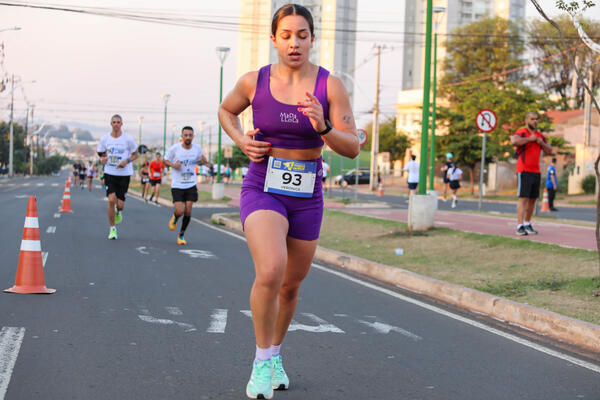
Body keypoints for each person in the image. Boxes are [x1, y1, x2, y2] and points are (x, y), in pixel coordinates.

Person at [218, 4, 359, 398]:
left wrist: (324, 125)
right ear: (274, 39)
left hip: (307, 192)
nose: (294, 42)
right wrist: (240, 139)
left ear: (312, 39)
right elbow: (226, 111)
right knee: (271, 270)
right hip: (263, 184)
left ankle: (275, 353)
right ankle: (261, 361)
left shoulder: (330, 86)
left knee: (291, 287)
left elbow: (351, 149)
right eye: (286, 35)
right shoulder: (253, 82)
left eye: (302, 34)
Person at [511, 111, 553, 235]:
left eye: (536, 119)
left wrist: (542, 143)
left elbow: (549, 150)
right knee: (523, 199)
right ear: (527, 120)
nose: (535, 121)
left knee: (533, 200)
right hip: (524, 170)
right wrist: (530, 139)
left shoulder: (540, 135)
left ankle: (527, 223)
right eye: (532, 119)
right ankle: (519, 226)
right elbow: (514, 141)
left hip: (536, 171)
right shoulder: (522, 132)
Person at [97, 114, 138, 240]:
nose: (116, 124)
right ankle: (112, 229)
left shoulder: (128, 140)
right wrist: (102, 159)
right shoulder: (105, 139)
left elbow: (135, 154)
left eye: (118, 122)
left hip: (124, 174)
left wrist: (126, 161)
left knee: (120, 205)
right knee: (111, 200)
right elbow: (101, 154)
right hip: (110, 172)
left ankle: (118, 212)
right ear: (111, 124)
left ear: (121, 124)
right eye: (114, 122)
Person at [164, 126, 206, 245]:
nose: (188, 137)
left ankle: (181, 235)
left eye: (190, 135)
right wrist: (173, 165)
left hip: (191, 183)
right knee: (180, 210)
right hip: (177, 184)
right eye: (185, 135)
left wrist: (203, 161)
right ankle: (175, 217)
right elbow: (165, 160)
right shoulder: (175, 149)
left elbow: (200, 161)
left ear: (193, 136)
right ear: (182, 136)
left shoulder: (197, 148)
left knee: (188, 210)